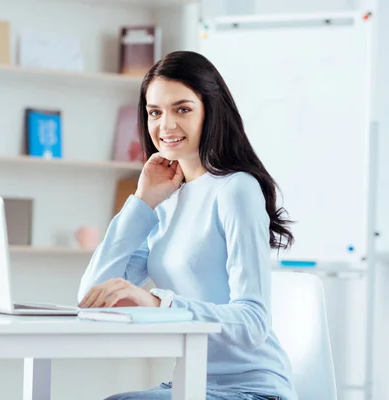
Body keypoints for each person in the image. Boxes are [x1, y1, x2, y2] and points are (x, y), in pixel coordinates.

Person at [77, 51, 298, 400]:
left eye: (182, 109)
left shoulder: (235, 189)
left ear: (211, 110)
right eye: (155, 112)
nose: (166, 126)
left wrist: (157, 304)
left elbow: (253, 323)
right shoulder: (165, 200)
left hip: (251, 390)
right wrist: (142, 201)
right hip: (190, 383)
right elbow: (92, 295)